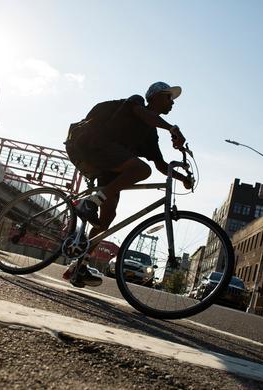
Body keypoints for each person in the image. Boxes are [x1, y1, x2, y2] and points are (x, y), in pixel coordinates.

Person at [63, 81, 192, 287]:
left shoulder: (151, 134)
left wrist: (182, 178)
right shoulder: (136, 102)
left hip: (111, 168)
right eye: (169, 97)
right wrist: (172, 128)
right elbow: (144, 115)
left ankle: (79, 266)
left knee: (106, 219)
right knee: (141, 170)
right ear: (156, 96)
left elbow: (160, 165)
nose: (172, 103)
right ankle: (91, 202)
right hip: (97, 147)